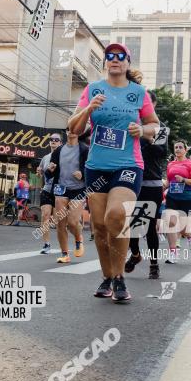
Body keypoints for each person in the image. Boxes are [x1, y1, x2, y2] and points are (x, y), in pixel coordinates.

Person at [67, 43, 158, 303]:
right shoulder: (92, 89)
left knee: (116, 215)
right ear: (106, 61)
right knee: (99, 225)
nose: (114, 59)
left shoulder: (139, 93)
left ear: (127, 63)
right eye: (110, 56)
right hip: (96, 166)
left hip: (129, 164)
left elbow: (154, 125)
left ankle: (120, 278)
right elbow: (73, 128)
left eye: (120, 56)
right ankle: (107, 277)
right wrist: (89, 109)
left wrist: (143, 131)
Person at [124, 91, 170, 280]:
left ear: (154, 105)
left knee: (149, 225)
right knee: (131, 225)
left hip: (151, 182)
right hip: (128, 179)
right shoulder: (129, 121)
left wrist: (147, 136)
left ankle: (154, 264)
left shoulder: (159, 128)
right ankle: (135, 254)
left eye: (147, 102)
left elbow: (161, 153)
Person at [45, 128, 89, 263]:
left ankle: (78, 238)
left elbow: (91, 169)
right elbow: (49, 174)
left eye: (76, 128)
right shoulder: (58, 151)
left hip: (78, 189)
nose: (72, 131)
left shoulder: (85, 149)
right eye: (69, 128)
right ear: (66, 131)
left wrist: (83, 175)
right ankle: (65, 254)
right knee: (60, 223)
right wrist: (49, 170)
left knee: (72, 222)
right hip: (60, 188)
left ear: (79, 132)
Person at [163, 141, 191, 263]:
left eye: (180, 147)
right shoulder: (170, 164)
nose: (178, 149)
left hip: (187, 198)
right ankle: (173, 253)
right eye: (176, 147)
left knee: (183, 229)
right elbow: (168, 182)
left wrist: (184, 180)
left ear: (185, 150)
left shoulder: (190, 164)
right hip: (172, 197)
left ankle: (189, 235)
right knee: (171, 223)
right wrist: (161, 189)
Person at [37, 133, 62, 254]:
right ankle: (46, 244)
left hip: (59, 191)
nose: (53, 141)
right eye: (51, 139)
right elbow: (40, 171)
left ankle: (67, 243)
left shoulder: (64, 156)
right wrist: (40, 172)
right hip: (47, 189)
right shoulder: (45, 158)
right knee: (45, 216)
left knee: (59, 220)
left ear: (60, 143)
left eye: (56, 140)